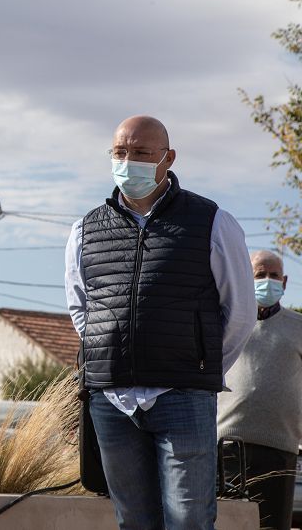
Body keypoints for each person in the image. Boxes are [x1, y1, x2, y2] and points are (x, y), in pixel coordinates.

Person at [64, 115, 255, 530]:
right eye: (119, 152)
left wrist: (200, 367)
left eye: (141, 153)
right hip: (111, 402)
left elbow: (240, 311)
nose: (127, 161)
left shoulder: (212, 221)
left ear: (168, 158)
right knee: (133, 521)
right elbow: (82, 308)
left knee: (188, 519)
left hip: (182, 397)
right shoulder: (85, 229)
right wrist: (108, 355)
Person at [217, 250, 302, 530]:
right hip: (227, 445)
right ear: (245, 278)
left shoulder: (298, 327)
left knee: (273, 525)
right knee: (226, 523)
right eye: (259, 275)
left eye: (274, 275)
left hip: (281, 447)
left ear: (285, 281)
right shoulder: (226, 323)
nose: (268, 280)